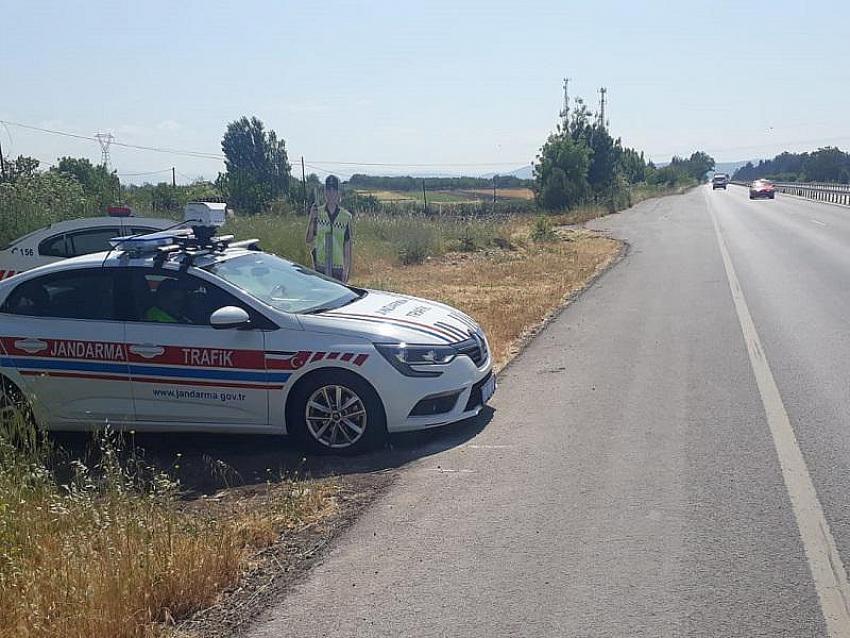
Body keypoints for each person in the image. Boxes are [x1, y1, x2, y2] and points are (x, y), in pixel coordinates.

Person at [305, 175, 353, 282]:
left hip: (338, 269)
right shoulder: (318, 212)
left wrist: (347, 269)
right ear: (325, 192)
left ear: (338, 193)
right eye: (328, 190)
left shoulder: (346, 217)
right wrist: (312, 218)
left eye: (334, 190)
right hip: (320, 268)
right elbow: (308, 239)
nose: (331, 193)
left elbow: (347, 246)